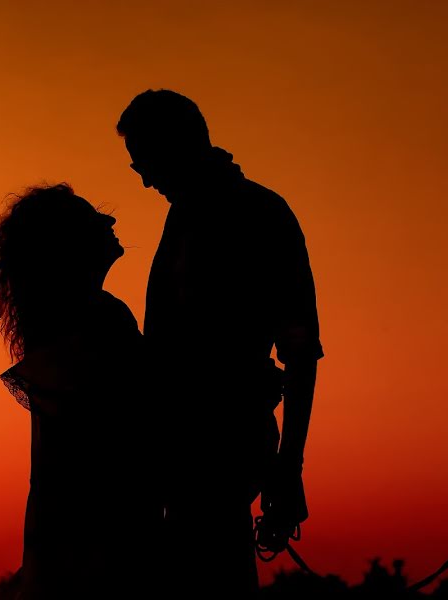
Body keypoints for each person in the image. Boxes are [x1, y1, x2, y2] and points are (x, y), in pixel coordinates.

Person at [116, 89, 323, 597]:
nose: (143, 178)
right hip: (172, 452)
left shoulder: (260, 215)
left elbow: (299, 351)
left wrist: (288, 467)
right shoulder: (184, 216)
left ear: (177, 146)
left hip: (220, 448)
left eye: (145, 161)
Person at [0, 185, 162, 599]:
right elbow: (129, 417)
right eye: (92, 217)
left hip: (80, 523)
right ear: (67, 244)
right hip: (99, 530)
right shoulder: (92, 319)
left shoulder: (73, 318)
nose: (110, 221)